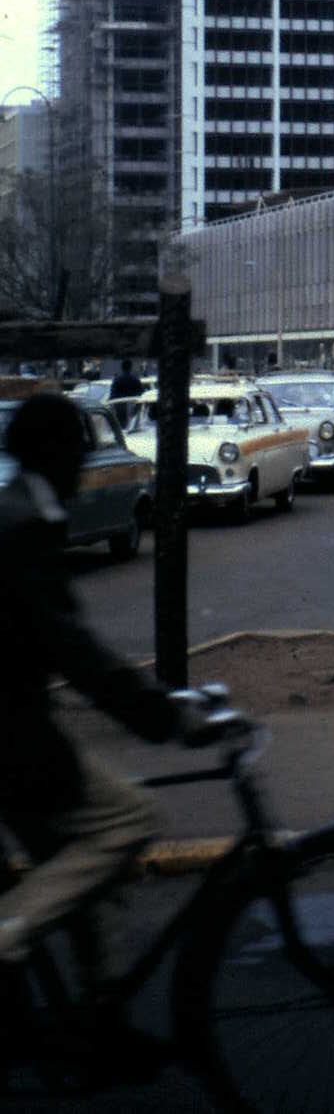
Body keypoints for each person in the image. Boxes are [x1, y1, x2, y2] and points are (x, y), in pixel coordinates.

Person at [0, 394, 185, 1052]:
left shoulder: (22, 511)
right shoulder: (23, 527)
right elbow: (71, 649)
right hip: (12, 738)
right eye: (77, 445)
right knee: (131, 817)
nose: (85, 458)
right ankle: (10, 932)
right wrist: (158, 714)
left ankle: (98, 1019)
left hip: (18, 726)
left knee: (80, 875)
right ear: (53, 454)